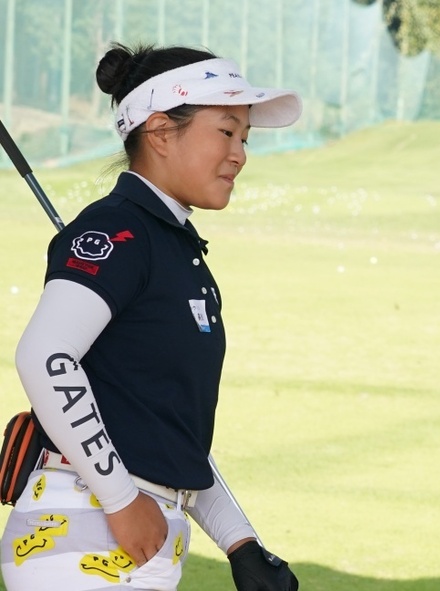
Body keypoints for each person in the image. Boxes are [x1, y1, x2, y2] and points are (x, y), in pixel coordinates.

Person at [0, 43, 302, 591]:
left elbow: (167, 435)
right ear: (161, 132)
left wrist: (240, 544)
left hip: (130, 538)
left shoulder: (172, 247)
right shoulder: (119, 232)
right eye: (227, 132)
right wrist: (119, 499)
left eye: (245, 138)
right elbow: (44, 357)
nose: (240, 153)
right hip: (80, 538)